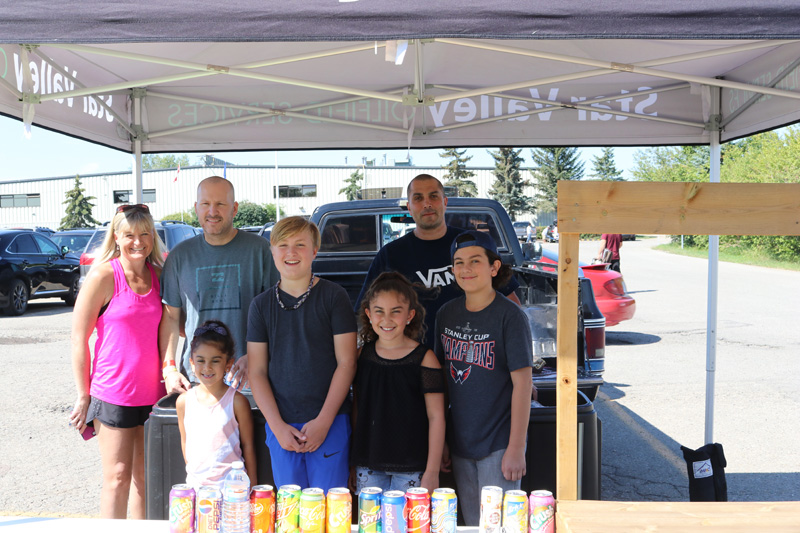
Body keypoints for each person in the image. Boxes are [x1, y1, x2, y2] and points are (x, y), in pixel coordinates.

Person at [69, 203, 165, 519]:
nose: (137, 242)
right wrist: (83, 396)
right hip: (114, 394)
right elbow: (78, 339)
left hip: (154, 395)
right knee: (118, 478)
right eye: (129, 235)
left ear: (153, 236)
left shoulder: (160, 276)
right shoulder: (103, 276)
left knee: (145, 480)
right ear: (116, 236)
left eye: (144, 234)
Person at [248, 216, 357, 491]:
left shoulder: (334, 296)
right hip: (281, 424)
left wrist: (324, 421)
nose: (291, 252)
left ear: (315, 251)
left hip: (329, 421)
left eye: (300, 244)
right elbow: (257, 371)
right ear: (272, 251)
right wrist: (276, 426)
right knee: (291, 514)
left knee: (330, 511)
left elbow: (347, 363)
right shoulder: (260, 306)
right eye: (282, 245)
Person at [435, 230, 533, 526]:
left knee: (497, 525)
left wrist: (516, 448)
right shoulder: (445, 314)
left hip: (499, 443)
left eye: (475, 261)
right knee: (472, 522)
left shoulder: (510, 316)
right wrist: (442, 442)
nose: (465, 269)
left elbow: (523, 385)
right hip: (461, 442)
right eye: (459, 262)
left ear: (494, 267)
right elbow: (441, 383)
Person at [356, 174, 520, 350]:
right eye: (418, 198)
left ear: (445, 202)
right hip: (412, 361)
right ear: (409, 207)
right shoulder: (390, 254)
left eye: (433, 196)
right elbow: (364, 313)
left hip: (472, 359)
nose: (427, 204)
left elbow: (512, 305)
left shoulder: (472, 245)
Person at [160, 176, 279, 393]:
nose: (212, 211)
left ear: (234, 208)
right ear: (196, 208)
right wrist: (169, 369)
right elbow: (170, 317)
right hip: (197, 379)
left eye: (220, 204)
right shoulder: (179, 256)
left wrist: (255, 355)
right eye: (205, 204)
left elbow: (277, 313)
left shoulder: (261, 251)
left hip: (250, 379)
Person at [351, 272, 446, 494]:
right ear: (368, 314)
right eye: (379, 311)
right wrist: (352, 462)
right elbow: (357, 410)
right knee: (372, 527)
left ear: (410, 315)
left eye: (396, 312)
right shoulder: (360, 357)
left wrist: (432, 471)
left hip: (413, 465)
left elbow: (436, 416)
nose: (386, 319)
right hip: (368, 463)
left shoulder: (425, 358)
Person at [176, 320, 256, 490]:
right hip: (196, 490)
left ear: (228, 364)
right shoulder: (183, 402)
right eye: (201, 360)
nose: (207, 367)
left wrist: (253, 489)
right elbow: (185, 443)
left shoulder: (237, 402)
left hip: (233, 491)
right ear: (191, 363)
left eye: (215, 361)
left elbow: (248, 447)